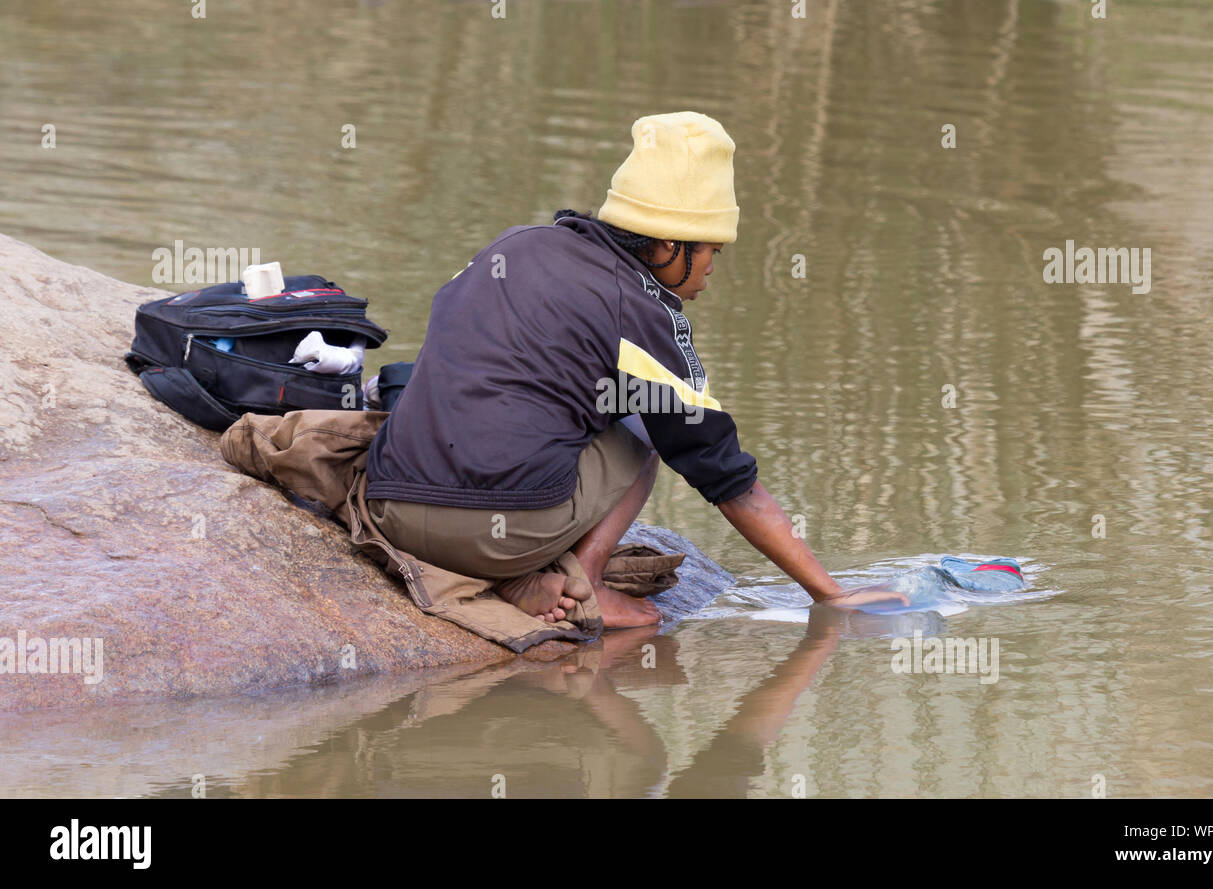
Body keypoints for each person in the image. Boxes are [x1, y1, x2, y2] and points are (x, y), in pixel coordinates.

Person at [363, 111, 906, 629]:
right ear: (670, 244)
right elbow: (726, 476)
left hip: (392, 510)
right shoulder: (642, 311)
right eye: (712, 250)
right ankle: (584, 582)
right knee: (648, 427)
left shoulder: (516, 245)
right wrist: (830, 594)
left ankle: (514, 574)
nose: (713, 269)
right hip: (492, 535)